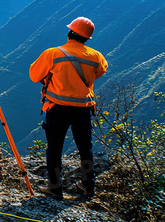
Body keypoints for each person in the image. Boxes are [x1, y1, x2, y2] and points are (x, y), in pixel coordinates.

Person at [29, 16, 108, 201]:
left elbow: (34, 75)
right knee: (85, 148)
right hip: (83, 109)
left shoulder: (52, 54)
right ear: (87, 38)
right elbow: (100, 71)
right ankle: (88, 187)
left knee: (55, 149)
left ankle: (55, 189)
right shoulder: (96, 57)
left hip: (57, 108)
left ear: (69, 33)